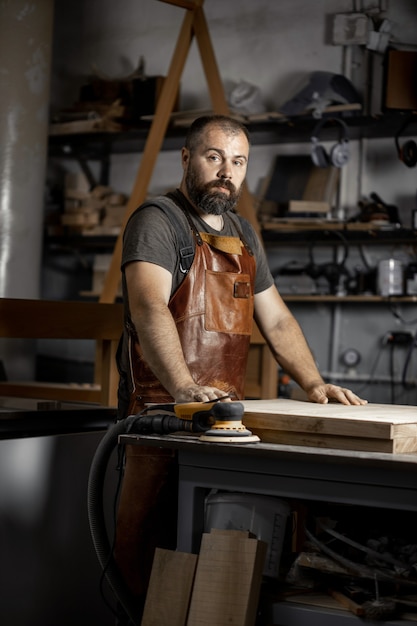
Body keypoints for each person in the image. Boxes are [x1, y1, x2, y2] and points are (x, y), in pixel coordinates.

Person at [114, 114, 367, 613]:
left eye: (238, 161)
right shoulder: (158, 221)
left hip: (226, 422)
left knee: (217, 555)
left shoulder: (243, 234)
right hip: (160, 420)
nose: (226, 172)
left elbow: (276, 319)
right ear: (187, 159)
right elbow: (149, 308)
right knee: (146, 559)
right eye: (214, 158)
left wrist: (314, 384)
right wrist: (185, 388)